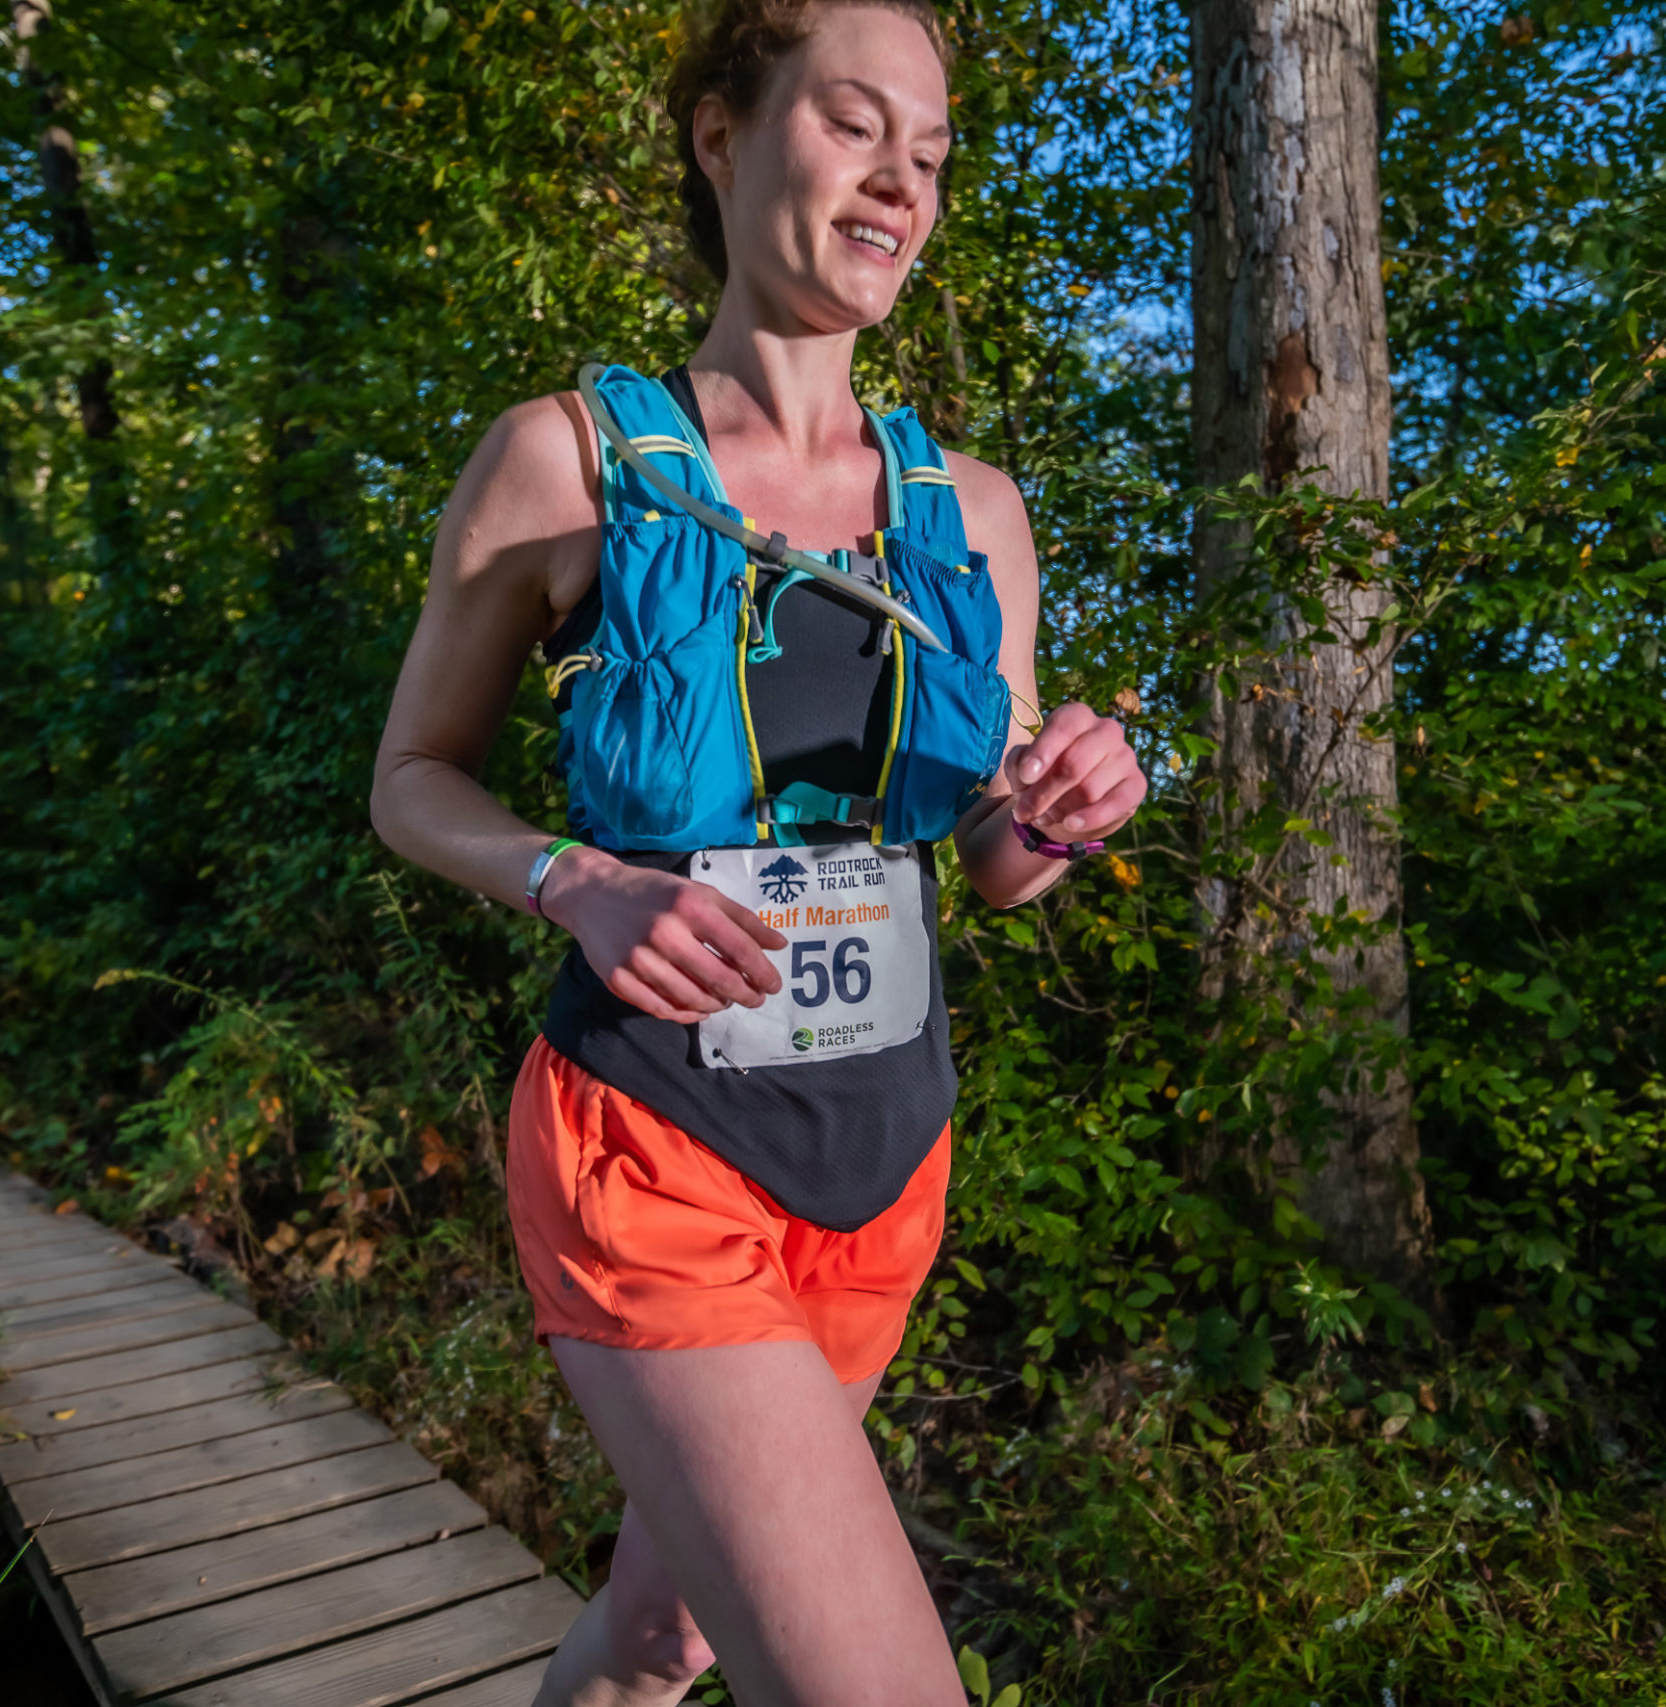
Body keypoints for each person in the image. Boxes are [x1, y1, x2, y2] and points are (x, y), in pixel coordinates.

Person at [368, 2, 1143, 1700]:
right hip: (652, 1141)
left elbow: (996, 858)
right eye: (855, 125)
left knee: (668, 1635)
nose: (902, 182)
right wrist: (571, 878)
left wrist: (1066, 802)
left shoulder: (973, 514)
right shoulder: (568, 462)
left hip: (885, 1161)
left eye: (931, 154)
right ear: (721, 135)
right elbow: (411, 779)